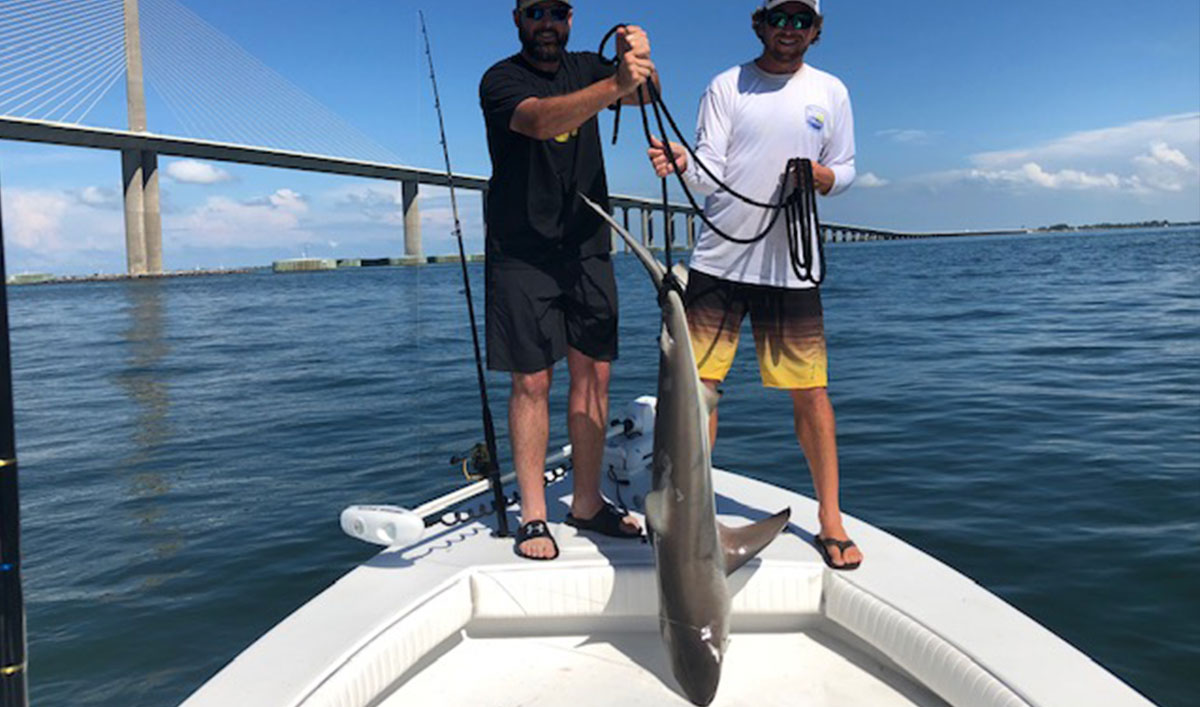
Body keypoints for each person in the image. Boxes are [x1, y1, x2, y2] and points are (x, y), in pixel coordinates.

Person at [647, 0, 864, 569]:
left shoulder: (831, 92)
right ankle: (689, 513)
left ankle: (831, 518)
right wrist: (681, 161)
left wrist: (823, 178)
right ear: (759, 24)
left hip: (791, 268)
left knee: (810, 393)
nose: (788, 30)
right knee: (697, 394)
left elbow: (845, 169)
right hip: (719, 260)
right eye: (779, 19)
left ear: (816, 31)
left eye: (801, 21)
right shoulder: (728, 85)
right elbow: (708, 164)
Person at [480, 0, 658, 560]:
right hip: (521, 251)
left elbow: (643, 96)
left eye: (557, 11)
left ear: (572, 18)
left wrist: (642, 61)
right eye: (535, 12)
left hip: (587, 245)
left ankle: (586, 502)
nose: (547, 23)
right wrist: (614, 87)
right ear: (517, 19)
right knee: (532, 383)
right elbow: (539, 121)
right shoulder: (500, 79)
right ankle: (535, 513)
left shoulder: (589, 65)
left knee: (595, 377)